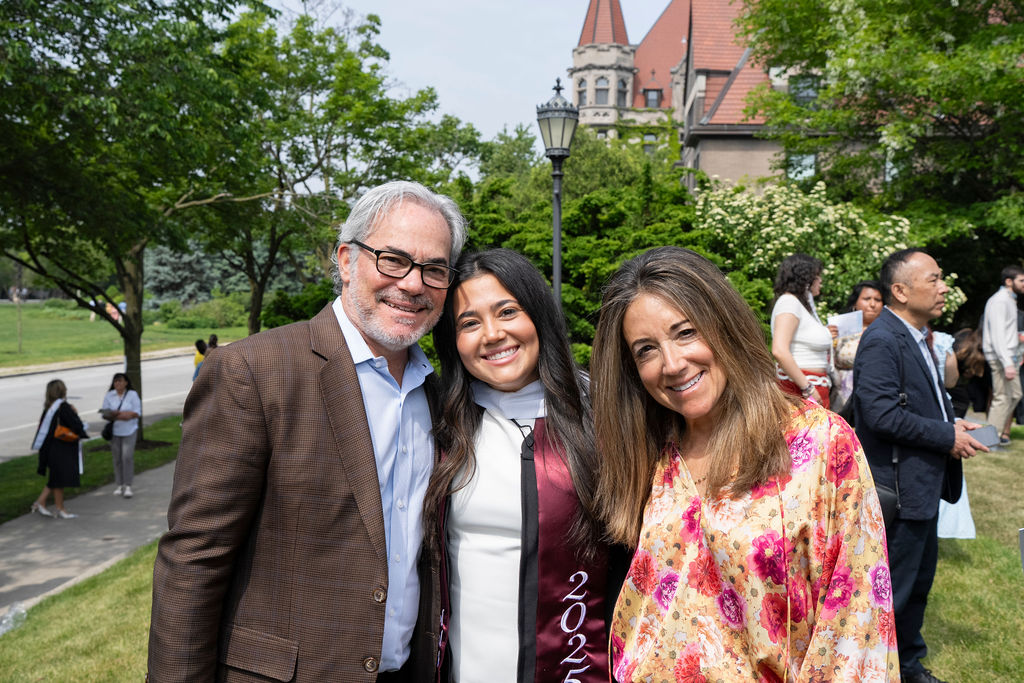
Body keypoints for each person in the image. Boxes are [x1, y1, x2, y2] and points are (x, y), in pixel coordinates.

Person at [148, 180, 467, 682]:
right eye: (393, 259)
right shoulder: (252, 372)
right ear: (345, 260)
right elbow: (194, 559)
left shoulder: (440, 394)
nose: (412, 283)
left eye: (434, 269)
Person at [591, 246, 897, 681]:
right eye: (646, 350)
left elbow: (857, 620)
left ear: (724, 325)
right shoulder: (647, 452)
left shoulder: (816, 441)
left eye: (685, 332)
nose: (672, 364)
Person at [424, 249, 620, 681]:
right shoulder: (439, 426)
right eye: (469, 323)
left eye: (507, 311)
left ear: (538, 316)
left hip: (579, 668)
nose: (492, 334)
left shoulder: (604, 418)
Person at [853, 248, 989, 683]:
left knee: (916, 588)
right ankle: (874, 669)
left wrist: (950, 421)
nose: (943, 286)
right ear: (900, 290)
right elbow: (879, 414)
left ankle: (907, 665)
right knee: (893, 590)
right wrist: (945, 436)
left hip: (920, 486)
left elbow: (913, 403)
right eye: (933, 279)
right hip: (898, 488)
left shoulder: (917, 335)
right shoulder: (883, 339)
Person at [770, 253, 837, 407]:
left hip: (810, 386)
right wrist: (807, 387)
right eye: (817, 276)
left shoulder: (801, 305)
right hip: (799, 389)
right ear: (806, 278)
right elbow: (779, 350)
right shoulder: (789, 303)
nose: (820, 281)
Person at [31, 379, 88, 519]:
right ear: (62, 391)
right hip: (61, 448)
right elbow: (77, 426)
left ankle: (49, 505)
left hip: (49, 448)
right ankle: (50, 505)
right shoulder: (63, 407)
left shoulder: (48, 408)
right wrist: (76, 414)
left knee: (57, 478)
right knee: (58, 478)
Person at [981, 265, 1024, 445]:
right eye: (1021, 281)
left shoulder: (1008, 300)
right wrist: (1007, 363)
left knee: (1015, 395)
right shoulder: (1000, 301)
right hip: (1000, 358)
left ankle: (993, 436)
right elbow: (998, 334)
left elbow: (1005, 333)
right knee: (1002, 398)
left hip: (1008, 357)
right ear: (1009, 281)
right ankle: (989, 440)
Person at [832, 279, 884, 411]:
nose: (872, 304)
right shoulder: (839, 329)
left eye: (877, 300)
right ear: (855, 303)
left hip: (877, 395)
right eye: (867, 299)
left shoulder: (888, 331)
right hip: (842, 397)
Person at [101, 372, 141, 498]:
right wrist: (122, 415)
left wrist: (118, 415)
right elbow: (105, 413)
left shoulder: (132, 395)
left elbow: (135, 413)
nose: (118, 384)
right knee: (117, 458)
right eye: (115, 382)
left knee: (127, 457)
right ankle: (119, 484)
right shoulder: (109, 395)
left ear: (126, 382)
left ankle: (128, 485)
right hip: (115, 432)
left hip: (129, 430)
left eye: (120, 381)